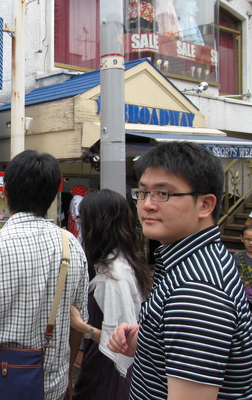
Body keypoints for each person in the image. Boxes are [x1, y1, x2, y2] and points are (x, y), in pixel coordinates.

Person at [108, 141, 252, 399]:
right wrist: (151, 342)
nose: (147, 205)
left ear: (205, 205)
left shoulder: (196, 291)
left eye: (163, 193)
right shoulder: (196, 262)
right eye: (142, 193)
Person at [0, 150, 89, 400]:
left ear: (5, 191)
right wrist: (64, 377)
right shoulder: (71, 246)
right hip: (52, 385)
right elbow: (78, 325)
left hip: (2, 383)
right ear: (53, 195)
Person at [69, 189, 151, 400]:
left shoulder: (115, 275)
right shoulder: (127, 261)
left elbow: (123, 344)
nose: (81, 226)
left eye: (83, 219)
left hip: (107, 372)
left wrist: (83, 328)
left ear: (97, 225)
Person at [235, 225, 252, 305]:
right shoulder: (237, 256)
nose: (250, 243)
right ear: (242, 238)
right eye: (247, 239)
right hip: (242, 298)